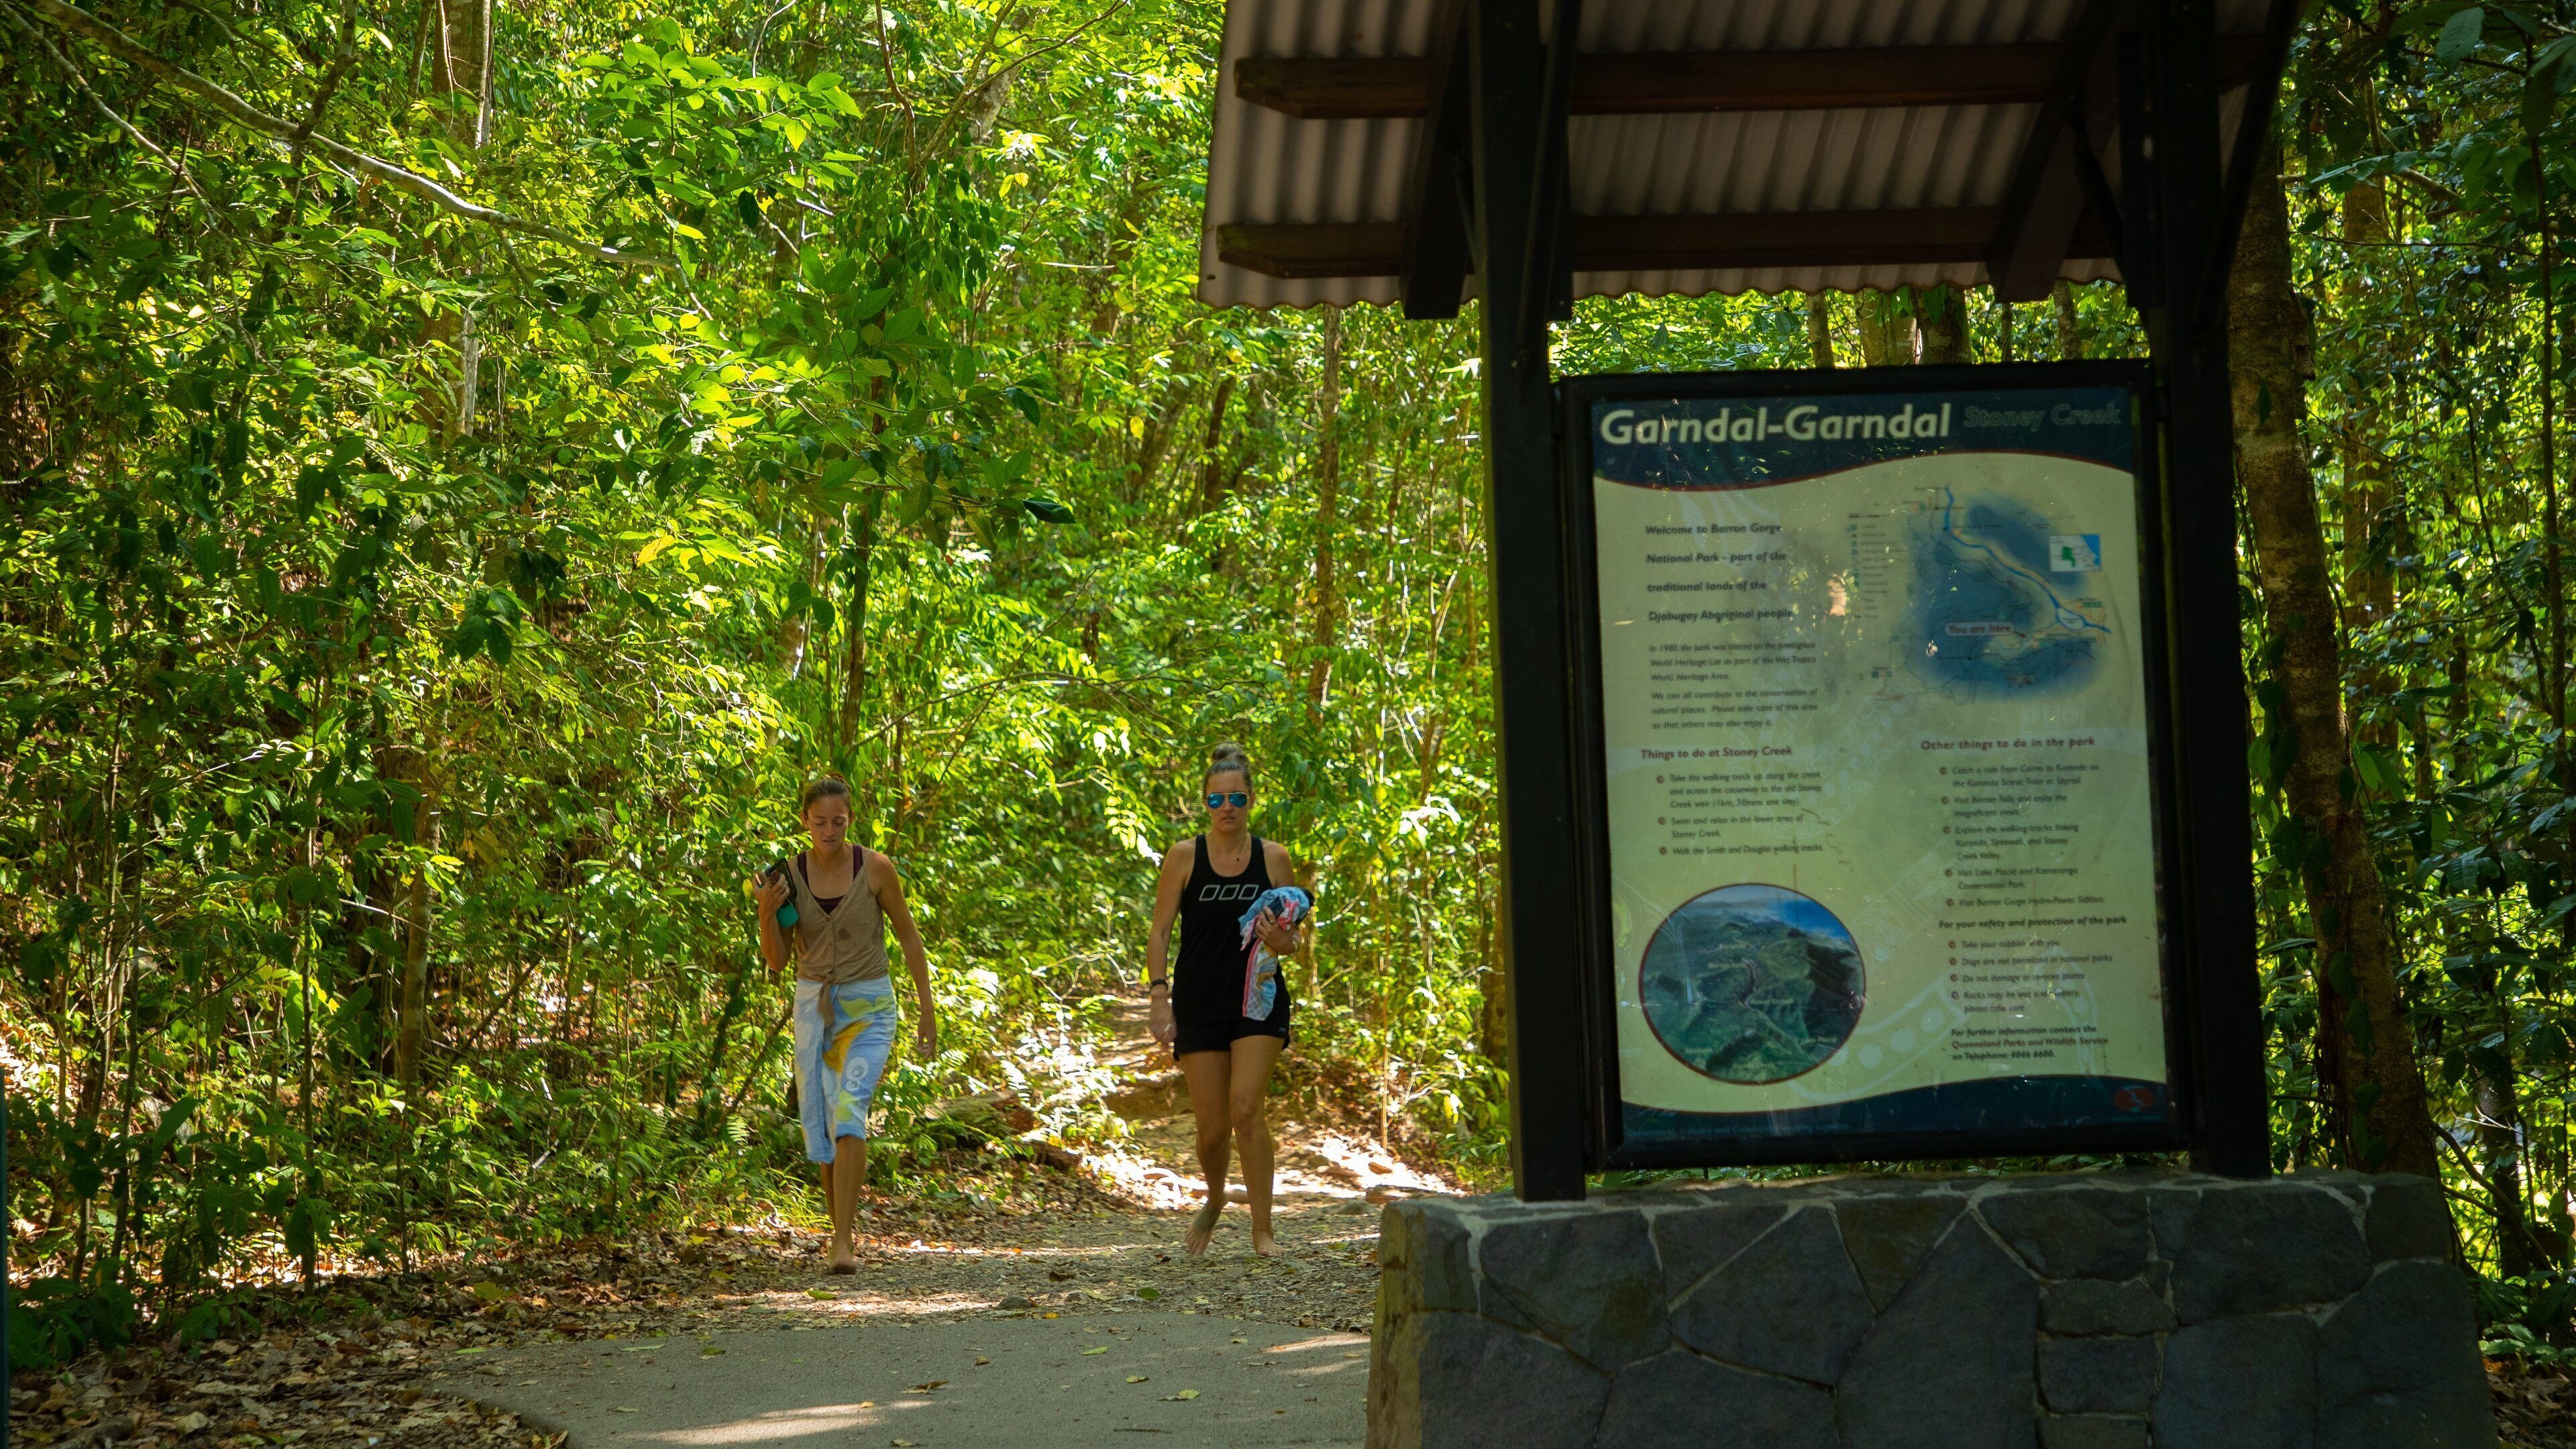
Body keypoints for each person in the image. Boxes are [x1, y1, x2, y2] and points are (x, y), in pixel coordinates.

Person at [753, 777, 937, 1273]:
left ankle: (843, 1240)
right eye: (819, 822)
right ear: (804, 822)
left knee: (850, 1111)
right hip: (814, 1007)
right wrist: (765, 913)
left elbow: (909, 938)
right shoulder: (787, 875)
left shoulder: (875, 868)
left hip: (869, 1006)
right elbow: (776, 961)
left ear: (850, 819)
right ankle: (838, 1234)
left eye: (839, 821)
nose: (829, 830)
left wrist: (927, 1007)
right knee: (822, 1124)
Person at [1146, 743, 1309, 1257]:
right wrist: (1158, 997)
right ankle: (1216, 1197)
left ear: (1251, 800)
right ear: (1205, 803)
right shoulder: (1184, 857)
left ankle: (1264, 1231)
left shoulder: (1274, 858)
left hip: (1257, 1001)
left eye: (1236, 798)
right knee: (1214, 1131)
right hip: (1198, 1000)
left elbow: (1296, 936)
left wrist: (1286, 943)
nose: (1228, 808)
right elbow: (1159, 932)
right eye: (1217, 800)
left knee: (1246, 1109)